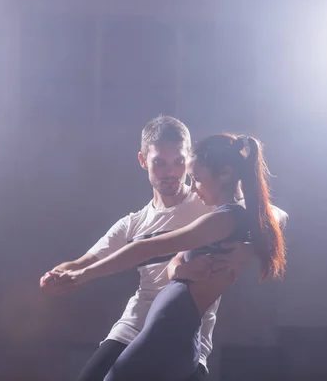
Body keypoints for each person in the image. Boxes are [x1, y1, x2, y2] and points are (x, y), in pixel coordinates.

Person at [40, 116, 288, 381]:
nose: (171, 172)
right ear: (143, 160)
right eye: (159, 163)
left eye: (179, 162)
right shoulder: (132, 223)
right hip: (134, 327)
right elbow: (82, 263)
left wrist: (249, 249)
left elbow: (274, 215)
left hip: (183, 332)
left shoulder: (209, 196)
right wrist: (55, 277)